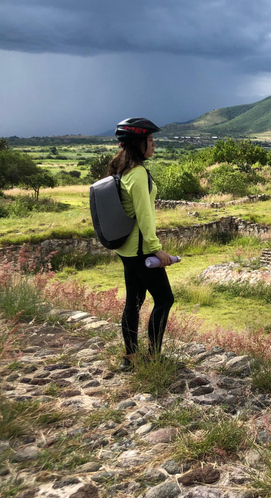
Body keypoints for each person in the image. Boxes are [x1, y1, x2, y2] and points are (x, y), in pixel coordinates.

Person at [109, 118, 175, 371]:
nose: (154, 144)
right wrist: (155, 248)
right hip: (140, 250)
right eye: (150, 140)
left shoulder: (122, 169)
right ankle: (153, 355)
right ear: (138, 143)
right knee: (165, 299)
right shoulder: (137, 173)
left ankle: (131, 357)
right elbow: (144, 215)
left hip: (126, 249)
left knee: (133, 302)